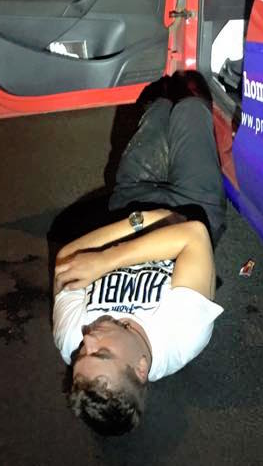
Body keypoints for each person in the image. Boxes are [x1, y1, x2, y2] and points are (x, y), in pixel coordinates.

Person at [52, 71, 226, 435]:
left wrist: (142, 220)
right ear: (141, 367)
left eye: (80, 355)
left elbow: (67, 257)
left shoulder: (70, 338)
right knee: (191, 106)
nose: (87, 340)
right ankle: (188, 93)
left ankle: (162, 97)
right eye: (102, 353)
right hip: (192, 205)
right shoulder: (182, 336)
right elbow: (194, 235)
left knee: (158, 106)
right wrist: (104, 260)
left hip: (132, 206)